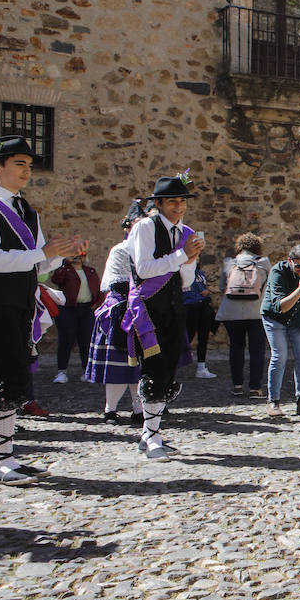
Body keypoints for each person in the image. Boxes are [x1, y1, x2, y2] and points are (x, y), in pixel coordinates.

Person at [0, 135, 81, 483]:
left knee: (14, 379)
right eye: (19, 164)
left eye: (30, 165)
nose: (27, 171)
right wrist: (42, 255)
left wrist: (63, 254)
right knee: (4, 379)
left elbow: (39, 267)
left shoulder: (28, 211)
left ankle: (5, 456)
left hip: (19, 305)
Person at [126, 173, 204, 460]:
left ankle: (151, 434)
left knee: (169, 368)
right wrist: (181, 255)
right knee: (154, 368)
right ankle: (150, 434)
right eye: (172, 201)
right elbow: (144, 269)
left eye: (182, 201)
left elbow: (185, 280)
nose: (179, 207)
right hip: (147, 308)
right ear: (158, 203)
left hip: (174, 306)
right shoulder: (145, 228)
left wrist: (189, 261)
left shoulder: (186, 232)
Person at [85, 203, 150, 425]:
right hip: (119, 312)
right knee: (119, 364)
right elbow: (120, 284)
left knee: (139, 364)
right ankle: (110, 409)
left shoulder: (150, 251)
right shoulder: (120, 250)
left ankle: (139, 409)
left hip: (142, 311)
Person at [261, 244, 300, 418]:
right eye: (298, 265)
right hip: (275, 316)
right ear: (289, 261)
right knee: (279, 356)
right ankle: (273, 401)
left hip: (298, 318)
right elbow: (280, 307)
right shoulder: (277, 272)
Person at [217, 232, 271, 399]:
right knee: (257, 350)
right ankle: (255, 388)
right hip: (256, 313)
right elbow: (270, 288)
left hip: (231, 313)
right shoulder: (264, 263)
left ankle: (237, 386)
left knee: (236, 348)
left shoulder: (229, 263)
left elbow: (221, 287)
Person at [49, 249, 102, 384]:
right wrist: (64, 263)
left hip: (86, 309)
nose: (77, 258)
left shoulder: (90, 271)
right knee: (66, 340)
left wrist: (97, 303)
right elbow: (55, 279)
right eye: (74, 255)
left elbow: (98, 288)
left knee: (86, 341)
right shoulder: (65, 271)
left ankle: (87, 371)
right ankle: (62, 371)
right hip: (68, 310)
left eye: (81, 255)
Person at [181, 268, 217, 379]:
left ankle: (201, 367)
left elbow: (202, 288)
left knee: (203, 339)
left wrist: (205, 294)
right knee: (187, 338)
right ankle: (173, 366)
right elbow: (185, 291)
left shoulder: (200, 272)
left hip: (203, 307)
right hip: (190, 308)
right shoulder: (183, 271)